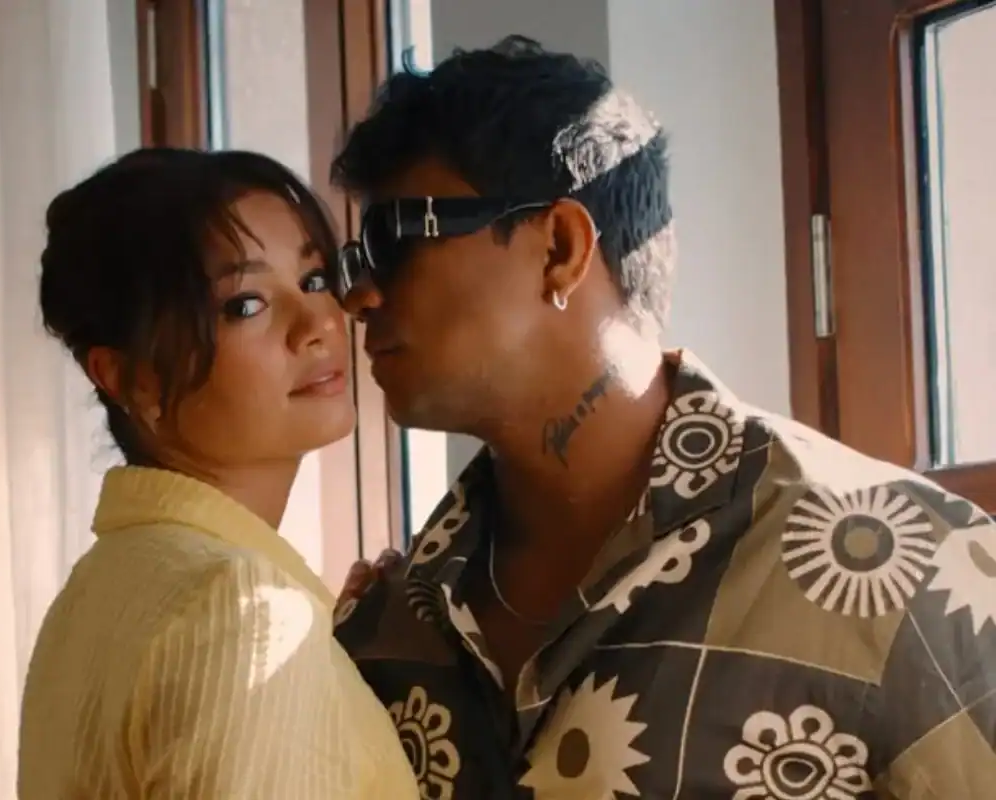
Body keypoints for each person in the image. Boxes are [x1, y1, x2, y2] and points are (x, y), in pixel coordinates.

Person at [330, 36, 996, 799]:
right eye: (355, 262)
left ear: (560, 248)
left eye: (394, 241)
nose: (359, 297)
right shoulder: (392, 622)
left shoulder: (909, 571)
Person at [18, 148, 419, 799]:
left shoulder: (93, 596)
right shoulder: (243, 608)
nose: (318, 323)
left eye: (315, 279)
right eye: (246, 305)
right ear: (132, 378)